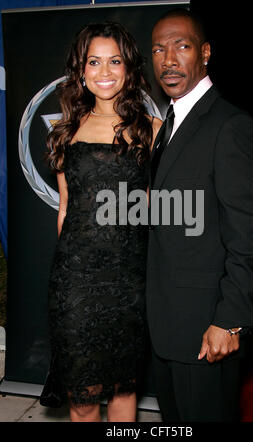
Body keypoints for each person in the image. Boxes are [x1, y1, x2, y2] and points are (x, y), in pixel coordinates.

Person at [146, 9, 253, 422]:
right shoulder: (170, 121)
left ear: (205, 53)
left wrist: (231, 320)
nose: (168, 60)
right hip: (168, 325)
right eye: (159, 49)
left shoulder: (230, 125)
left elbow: (248, 234)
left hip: (206, 329)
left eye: (181, 46)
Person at [44, 22, 161, 422]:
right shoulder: (64, 132)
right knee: (82, 398)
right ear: (80, 69)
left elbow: (158, 209)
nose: (105, 71)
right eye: (94, 61)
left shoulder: (152, 130)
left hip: (129, 281)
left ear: (129, 67)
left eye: (115, 60)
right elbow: (64, 208)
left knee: (123, 390)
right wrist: (67, 278)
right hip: (75, 283)